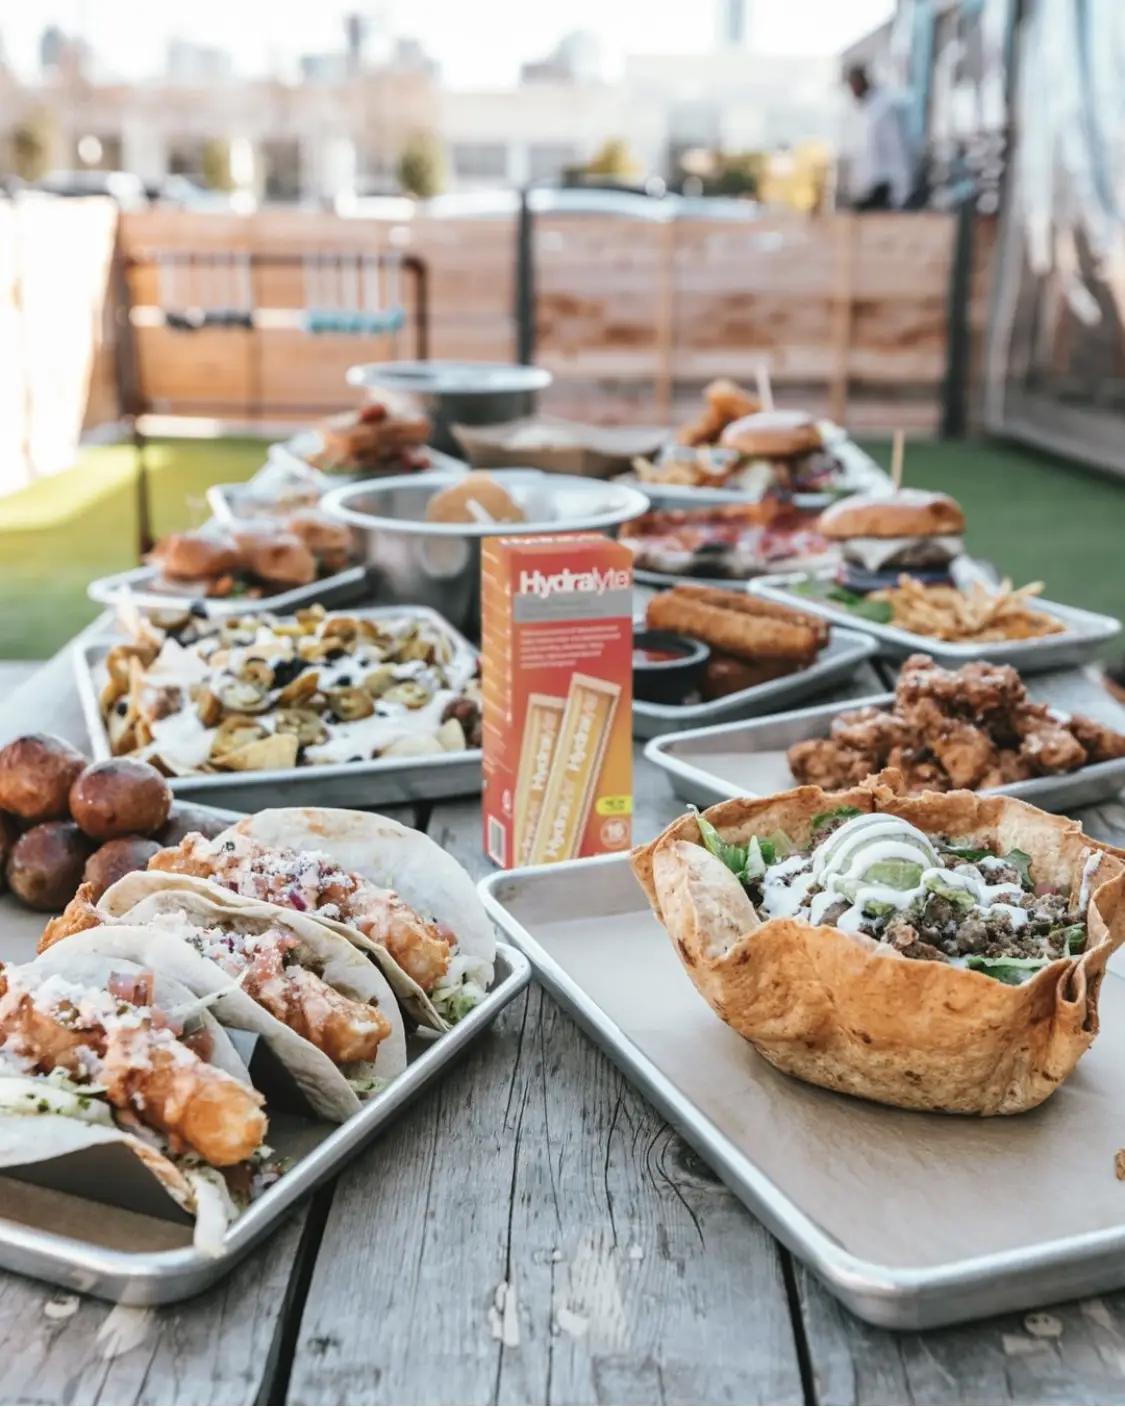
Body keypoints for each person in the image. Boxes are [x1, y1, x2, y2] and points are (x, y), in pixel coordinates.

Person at [844, 62, 917, 211]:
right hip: (867, 187)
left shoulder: (884, 108)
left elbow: (897, 149)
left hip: (885, 188)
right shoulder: (865, 110)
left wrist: (901, 191)